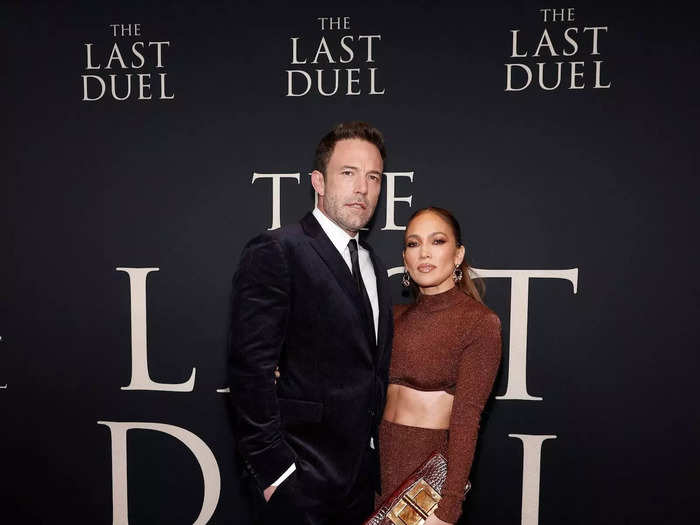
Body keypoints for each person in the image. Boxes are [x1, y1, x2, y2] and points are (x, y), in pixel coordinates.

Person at [228, 122, 394, 525]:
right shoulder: (279, 250)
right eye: (348, 173)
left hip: (361, 485)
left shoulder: (374, 263)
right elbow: (250, 371)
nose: (362, 188)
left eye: (373, 177)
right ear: (318, 181)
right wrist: (276, 473)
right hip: (300, 484)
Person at [375, 207, 502, 524]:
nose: (424, 253)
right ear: (405, 259)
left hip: (426, 480)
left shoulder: (479, 323)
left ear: (458, 255)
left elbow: (467, 418)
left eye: (438, 241)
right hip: (374, 469)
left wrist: (449, 506)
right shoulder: (392, 318)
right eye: (413, 244)